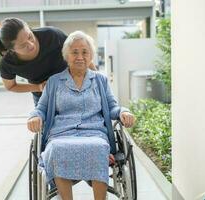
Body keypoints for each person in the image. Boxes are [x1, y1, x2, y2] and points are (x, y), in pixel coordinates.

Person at [27, 31, 135, 200]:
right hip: (61, 133)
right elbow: (41, 108)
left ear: (91, 55)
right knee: (56, 148)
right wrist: (35, 116)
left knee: (99, 146)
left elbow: (113, 107)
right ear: (66, 56)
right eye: (74, 52)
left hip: (94, 132)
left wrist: (123, 111)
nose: (80, 56)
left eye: (84, 52)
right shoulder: (54, 82)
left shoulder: (100, 80)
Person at [0, 17, 96, 106]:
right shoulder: (8, 64)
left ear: (29, 29)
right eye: (23, 45)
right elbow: (10, 86)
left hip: (74, 86)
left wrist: (97, 80)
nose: (31, 45)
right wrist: (38, 87)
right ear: (12, 50)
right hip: (44, 97)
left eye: (30, 36)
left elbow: (80, 54)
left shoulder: (52, 35)